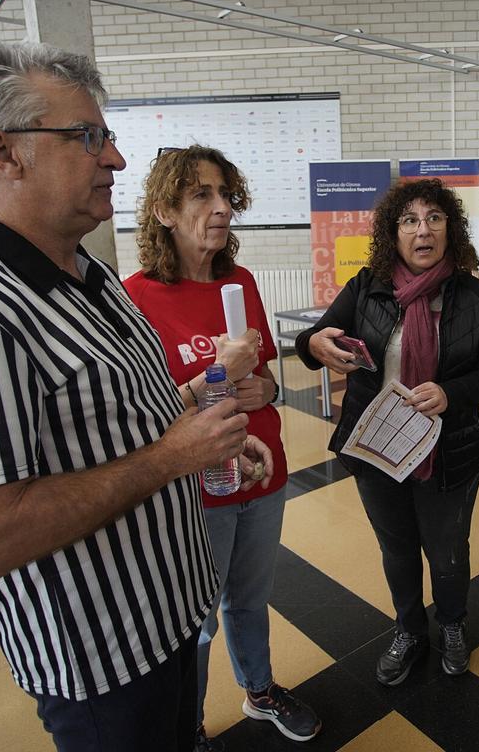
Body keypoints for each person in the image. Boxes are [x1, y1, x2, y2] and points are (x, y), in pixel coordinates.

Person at [0, 42, 273, 752]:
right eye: (87, 137)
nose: (115, 159)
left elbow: (122, 413)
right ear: (4, 152)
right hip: (104, 663)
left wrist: (204, 426)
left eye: (109, 136)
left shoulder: (82, 271)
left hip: (172, 615)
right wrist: (167, 458)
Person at [124, 145, 320, 746]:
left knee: (251, 598)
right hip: (197, 486)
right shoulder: (136, 298)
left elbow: (265, 382)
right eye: (201, 196)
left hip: (264, 470)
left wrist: (259, 384)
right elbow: (145, 411)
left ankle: (258, 691)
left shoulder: (241, 282)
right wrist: (217, 374)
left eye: (225, 196)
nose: (221, 210)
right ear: (163, 210)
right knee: (197, 617)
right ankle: (189, 725)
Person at [296, 179, 479, 686]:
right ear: (394, 232)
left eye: (434, 218)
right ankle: (410, 629)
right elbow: (314, 339)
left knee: (448, 551)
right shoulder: (367, 286)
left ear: (449, 229)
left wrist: (451, 393)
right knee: (397, 550)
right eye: (409, 220)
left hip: (447, 449)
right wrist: (313, 344)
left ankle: (452, 625)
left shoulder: (473, 295)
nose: (423, 230)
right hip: (377, 446)